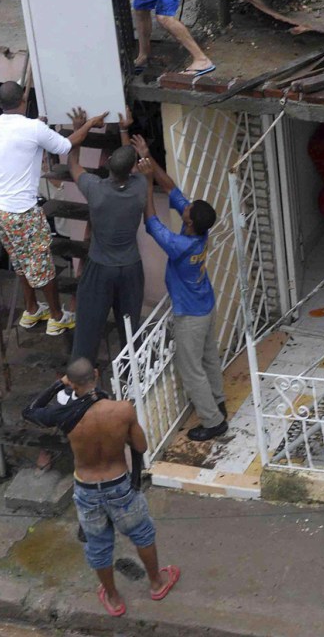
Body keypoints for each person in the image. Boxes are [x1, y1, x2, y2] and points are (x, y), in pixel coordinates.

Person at [22, 356, 180, 618]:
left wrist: (55, 385)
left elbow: (30, 411)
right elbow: (141, 447)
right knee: (141, 532)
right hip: (118, 484)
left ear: (71, 384)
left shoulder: (64, 415)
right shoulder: (122, 410)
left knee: (98, 544)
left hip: (86, 488)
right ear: (96, 374)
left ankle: (114, 597)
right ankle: (156, 583)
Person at [0, 81, 107, 336]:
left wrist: (39, 126)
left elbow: (24, 136)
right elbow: (67, 144)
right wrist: (87, 124)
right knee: (42, 264)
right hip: (21, 211)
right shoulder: (33, 128)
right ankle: (57, 316)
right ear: (24, 102)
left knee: (20, 261)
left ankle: (31, 310)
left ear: (0, 105)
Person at [133, 136, 227, 442]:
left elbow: (151, 220)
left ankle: (213, 422)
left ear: (189, 224)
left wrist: (147, 182)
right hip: (207, 305)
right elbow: (173, 190)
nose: (183, 210)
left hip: (190, 315)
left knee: (191, 369)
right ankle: (218, 401)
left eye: (185, 213)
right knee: (210, 357)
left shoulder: (180, 245)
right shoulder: (198, 229)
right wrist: (150, 158)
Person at [67, 107, 147, 364]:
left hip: (100, 268)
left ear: (108, 164)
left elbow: (72, 164)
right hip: (131, 268)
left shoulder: (96, 189)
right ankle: (132, 382)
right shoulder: (140, 187)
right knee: (130, 331)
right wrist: (124, 129)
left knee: (87, 330)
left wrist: (80, 128)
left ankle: (81, 384)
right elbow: (131, 164)